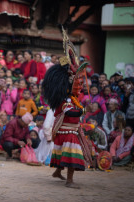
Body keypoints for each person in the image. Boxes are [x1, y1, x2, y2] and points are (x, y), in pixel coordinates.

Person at [42, 28, 93, 189]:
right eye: (76, 83)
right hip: (68, 132)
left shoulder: (71, 99)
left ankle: (58, 172)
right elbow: (70, 112)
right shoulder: (65, 101)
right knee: (71, 156)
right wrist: (84, 111)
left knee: (65, 153)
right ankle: (70, 181)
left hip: (68, 131)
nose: (79, 86)